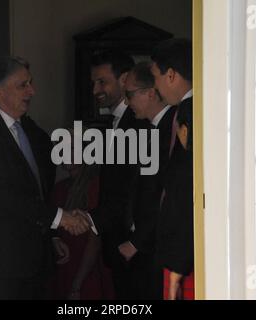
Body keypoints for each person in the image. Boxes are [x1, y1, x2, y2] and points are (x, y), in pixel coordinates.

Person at [0, 56, 90, 299]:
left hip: (35, 262)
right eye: (22, 85)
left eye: (31, 83)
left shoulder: (33, 132)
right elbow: (4, 195)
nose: (32, 91)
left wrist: (52, 235)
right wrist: (60, 218)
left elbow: (40, 190)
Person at [85, 50, 149, 299]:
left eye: (102, 81)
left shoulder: (139, 123)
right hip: (118, 245)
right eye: (93, 83)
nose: (95, 90)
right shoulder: (115, 124)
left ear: (124, 80)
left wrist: (89, 219)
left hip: (133, 246)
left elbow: (132, 187)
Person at [119, 61, 177, 299]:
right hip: (146, 246)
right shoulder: (151, 129)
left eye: (129, 95)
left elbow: (165, 193)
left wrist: (137, 241)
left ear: (150, 93)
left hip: (156, 247)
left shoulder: (172, 129)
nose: (126, 102)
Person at [151, 39, 195, 300]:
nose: (155, 87)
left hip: (185, 253)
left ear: (171, 74)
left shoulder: (190, 113)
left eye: (155, 77)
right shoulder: (189, 110)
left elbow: (185, 186)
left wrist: (177, 262)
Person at [49, 132, 114, 299]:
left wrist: (77, 285)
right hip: (65, 268)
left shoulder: (95, 186)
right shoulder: (59, 188)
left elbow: (95, 241)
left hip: (87, 272)